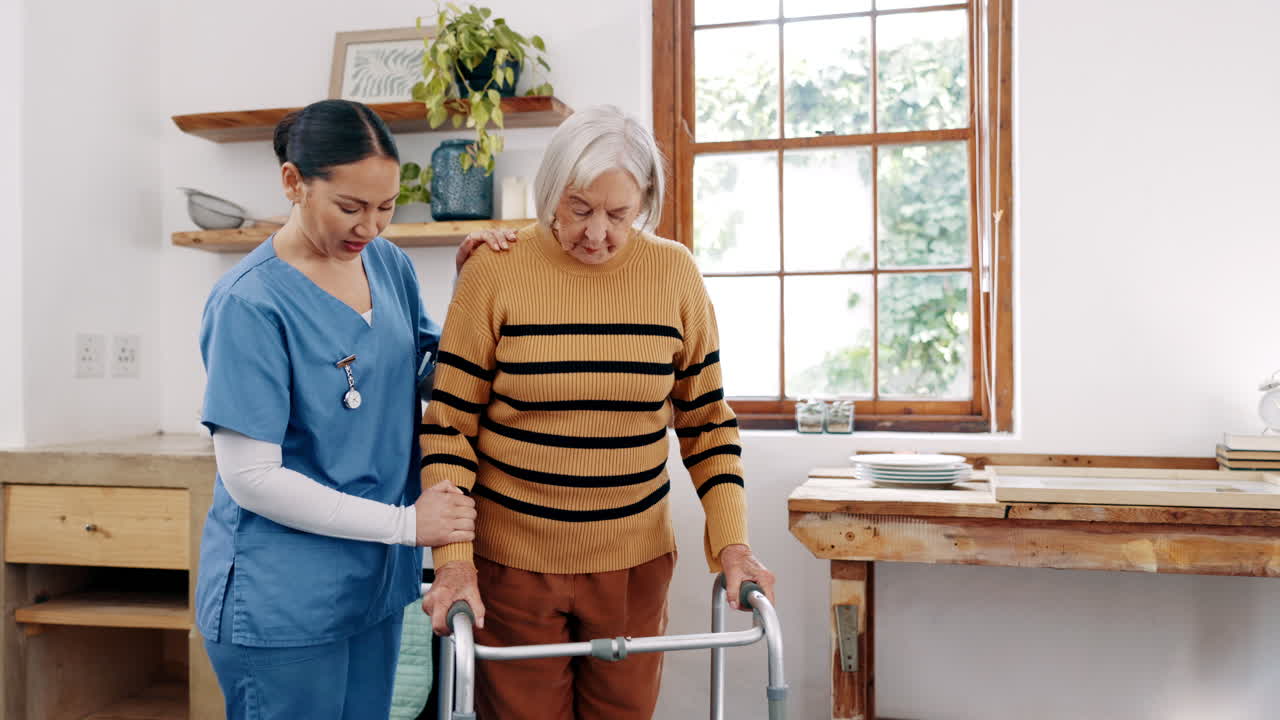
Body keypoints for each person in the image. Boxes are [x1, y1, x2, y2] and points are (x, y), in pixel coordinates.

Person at [419, 104, 777, 720]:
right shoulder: (495, 271)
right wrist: (453, 563)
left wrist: (733, 546)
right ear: (551, 192)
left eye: (619, 213)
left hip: (634, 567)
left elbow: (707, 424)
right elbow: (449, 426)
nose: (597, 232)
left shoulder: (675, 274)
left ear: (646, 201)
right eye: (579, 209)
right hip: (512, 569)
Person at [194, 99, 509, 720]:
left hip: (371, 586)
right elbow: (251, 478)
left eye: (386, 207)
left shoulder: (386, 265)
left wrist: (475, 296)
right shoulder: (250, 303)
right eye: (350, 207)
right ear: (293, 182)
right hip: (282, 599)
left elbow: (424, 373)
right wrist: (406, 527)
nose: (370, 226)